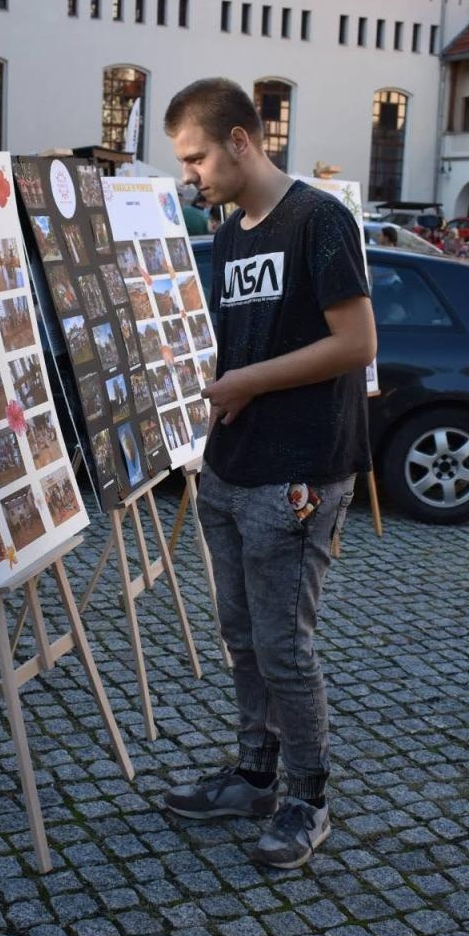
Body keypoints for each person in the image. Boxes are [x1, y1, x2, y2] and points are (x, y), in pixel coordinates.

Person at [161, 79, 375, 869]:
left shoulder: (319, 221)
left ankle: (307, 797)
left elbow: (357, 343)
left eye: (196, 157)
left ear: (241, 140)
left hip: (300, 472)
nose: (191, 176)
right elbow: (243, 344)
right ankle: (254, 774)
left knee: (286, 646)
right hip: (230, 464)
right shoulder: (230, 235)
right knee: (243, 638)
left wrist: (249, 382)